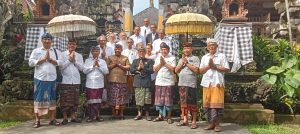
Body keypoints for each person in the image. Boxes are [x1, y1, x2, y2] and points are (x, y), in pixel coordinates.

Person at [28, 33, 62, 128]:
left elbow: (61, 62)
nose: (47, 41)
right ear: (42, 40)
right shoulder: (36, 51)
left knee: (52, 99)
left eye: (49, 39)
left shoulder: (56, 51)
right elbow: (30, 62)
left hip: (52, 79)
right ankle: (37, 120)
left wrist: (51, 60)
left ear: (52, 41)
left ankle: (52, 119)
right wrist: (42, 60)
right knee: (38, 98)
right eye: (45, 39)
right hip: (40, 78)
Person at [199, 38, 230, 132]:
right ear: (207, 47)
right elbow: (200, 71)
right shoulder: (204, 57)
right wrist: (209, 66)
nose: (212, 47)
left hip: (217, 83)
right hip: (207, 83)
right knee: (207, 104)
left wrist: (215, 66)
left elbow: (227, 69)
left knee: (217, 104)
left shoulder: (221, 56)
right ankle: (210, 123)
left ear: (216, 46)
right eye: (210, 45)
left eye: (213, 45)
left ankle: (217, 124)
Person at [175, 42, 200, 129]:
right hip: (182, 83)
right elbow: (176, 70)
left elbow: (196, 70)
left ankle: (193, 121)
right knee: (183, 103)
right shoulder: (181, 59)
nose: (186, 50)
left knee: (192, 103)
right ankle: (185, 120)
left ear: (191, 49)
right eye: (185, 48)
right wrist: (182, 63)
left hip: (191, 84)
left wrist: (187, 63)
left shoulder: (195, 58)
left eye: (188, 48)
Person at [59, 39, 84, 125]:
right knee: (64, 100)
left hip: (76, 80)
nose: (72, 46)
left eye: (73, 44)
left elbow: (82, 68)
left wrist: (74, 61)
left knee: (75, 100)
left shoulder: (79, 56)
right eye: (70, 44)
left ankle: (73, 117)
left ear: (76, 46)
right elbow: (61, 67)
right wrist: (69, 60)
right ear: (67, 45)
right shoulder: (62, 55)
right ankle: (65, 117)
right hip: (66, 80)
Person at [83, 46, 109, 122]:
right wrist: (93, 66)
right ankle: (91, 116)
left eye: (97, 51)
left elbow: (106, 72)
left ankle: (98, 115)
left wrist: (99, 65)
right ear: (91, 52)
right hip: (90, 83)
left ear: (99, 52)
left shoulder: (102, 61)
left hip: (99, 84)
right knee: (90, 101)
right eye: (94, 51)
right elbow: (84, 71)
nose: (95, 52)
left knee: (98, 101)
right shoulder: (87, 61)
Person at [152, 42, 176, 124]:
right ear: (160, 51)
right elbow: (155, 69)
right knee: (159, 100)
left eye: (165, 49)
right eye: (162, 50)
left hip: (168, 81)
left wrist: (165, 63)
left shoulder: (172, 58)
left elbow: (173, 69)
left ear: (168, 50)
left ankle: (169, 116)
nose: (164, 51)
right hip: (159, 81)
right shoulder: (158, 58)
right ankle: (160, 116)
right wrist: (161, 63)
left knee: (168, 100)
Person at [130, 47, 154, 121]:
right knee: (138, 99)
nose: (141, 53)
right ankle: (139, 114)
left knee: (147, 99)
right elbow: (131, 70)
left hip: (146, 82)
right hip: (138, 82)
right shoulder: (135, 61)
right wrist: (138, 68)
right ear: (138, 53)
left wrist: (143, 68)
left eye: (143, 52)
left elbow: (151, 71)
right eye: (140, 52)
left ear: (145, 52)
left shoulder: (150, 61)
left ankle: (147, 114)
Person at [107, 44, 130, 120]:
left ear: (121, 49)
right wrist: (114, 64)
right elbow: (107, 67)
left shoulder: (125, 58)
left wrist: (119, 65)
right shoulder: (110, 57)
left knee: (122, 98)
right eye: (116, 49)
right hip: (112, 80)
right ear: (114, 49)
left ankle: (121, 114)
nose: (117, 50)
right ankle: (113, 114)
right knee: (112, 98)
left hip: (122, 81)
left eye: (119, 49)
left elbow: (128, 67)